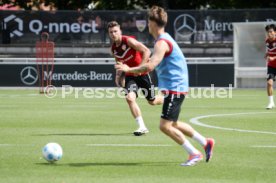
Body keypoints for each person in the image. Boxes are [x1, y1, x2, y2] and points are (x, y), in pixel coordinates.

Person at [115, 6, 215, 166]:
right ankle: (205, 142)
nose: (147, 25)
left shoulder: (162, 43)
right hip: (175, 86)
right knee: (173, 124)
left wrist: (128, 69)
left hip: (176, 87)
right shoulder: (164, 39)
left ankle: (194, 153)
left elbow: (149, 66)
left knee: (164, 126)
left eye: (148, 22)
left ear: (153, 24)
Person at [107, 21, 163, 136]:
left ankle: (166, 99)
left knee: (152, 101)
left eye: (115, 31)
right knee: (129, 98)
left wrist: (140, 69)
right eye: (111, 32)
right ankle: (142, 127)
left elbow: (147, 51)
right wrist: (118, 75)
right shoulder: (113, 49)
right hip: (130, 76)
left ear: (120, 31)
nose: (113, 34)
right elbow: (119, 63)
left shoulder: (128, 41)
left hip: (143, 74)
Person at [265, 24, 276, 109]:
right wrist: (266, 55)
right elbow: (269, 50)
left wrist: (273, 57)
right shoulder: (267, 41)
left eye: (271, 31)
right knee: (269, 83)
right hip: (271, 66)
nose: (269, 33)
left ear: (275, 32)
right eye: (268, 32)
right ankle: (271, 103)